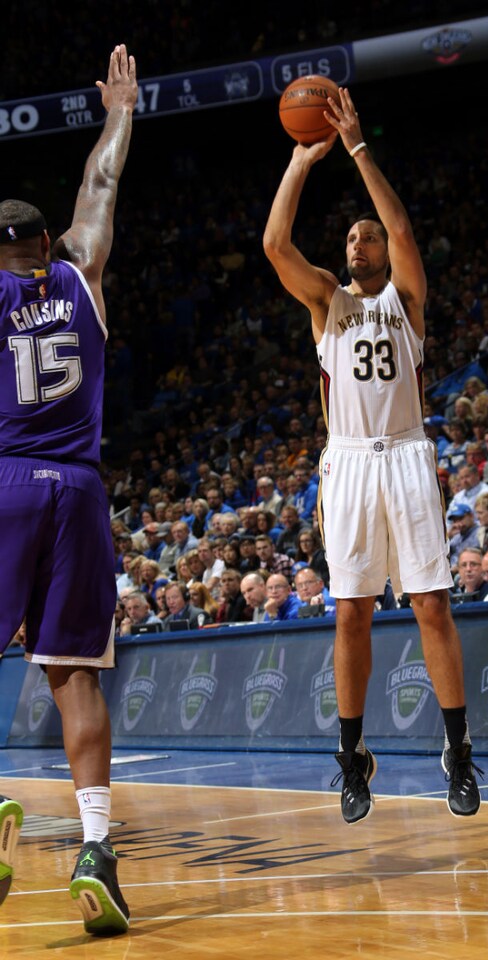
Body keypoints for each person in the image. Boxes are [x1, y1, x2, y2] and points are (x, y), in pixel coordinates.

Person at [263, 85, 482, 824]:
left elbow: (401, 227)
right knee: (350, 615)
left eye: (367, 239)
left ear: (384, 251)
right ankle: (352, 757)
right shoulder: (327, 301)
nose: (358, 244)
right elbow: (273, 246)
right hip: (350, 462)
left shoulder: (406, 300)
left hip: (408, 457)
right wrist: (301, 160)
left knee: (431, 606)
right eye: (350, 239)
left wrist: (356, 149)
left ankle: (457, 750)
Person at [0, 46, 136, 933]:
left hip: (6, 483)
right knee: (74, 677)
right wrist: (120, 110)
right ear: (47, 244)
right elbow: (101, 183)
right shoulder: (81, 271)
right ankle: (94, 848)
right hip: (79, 490)